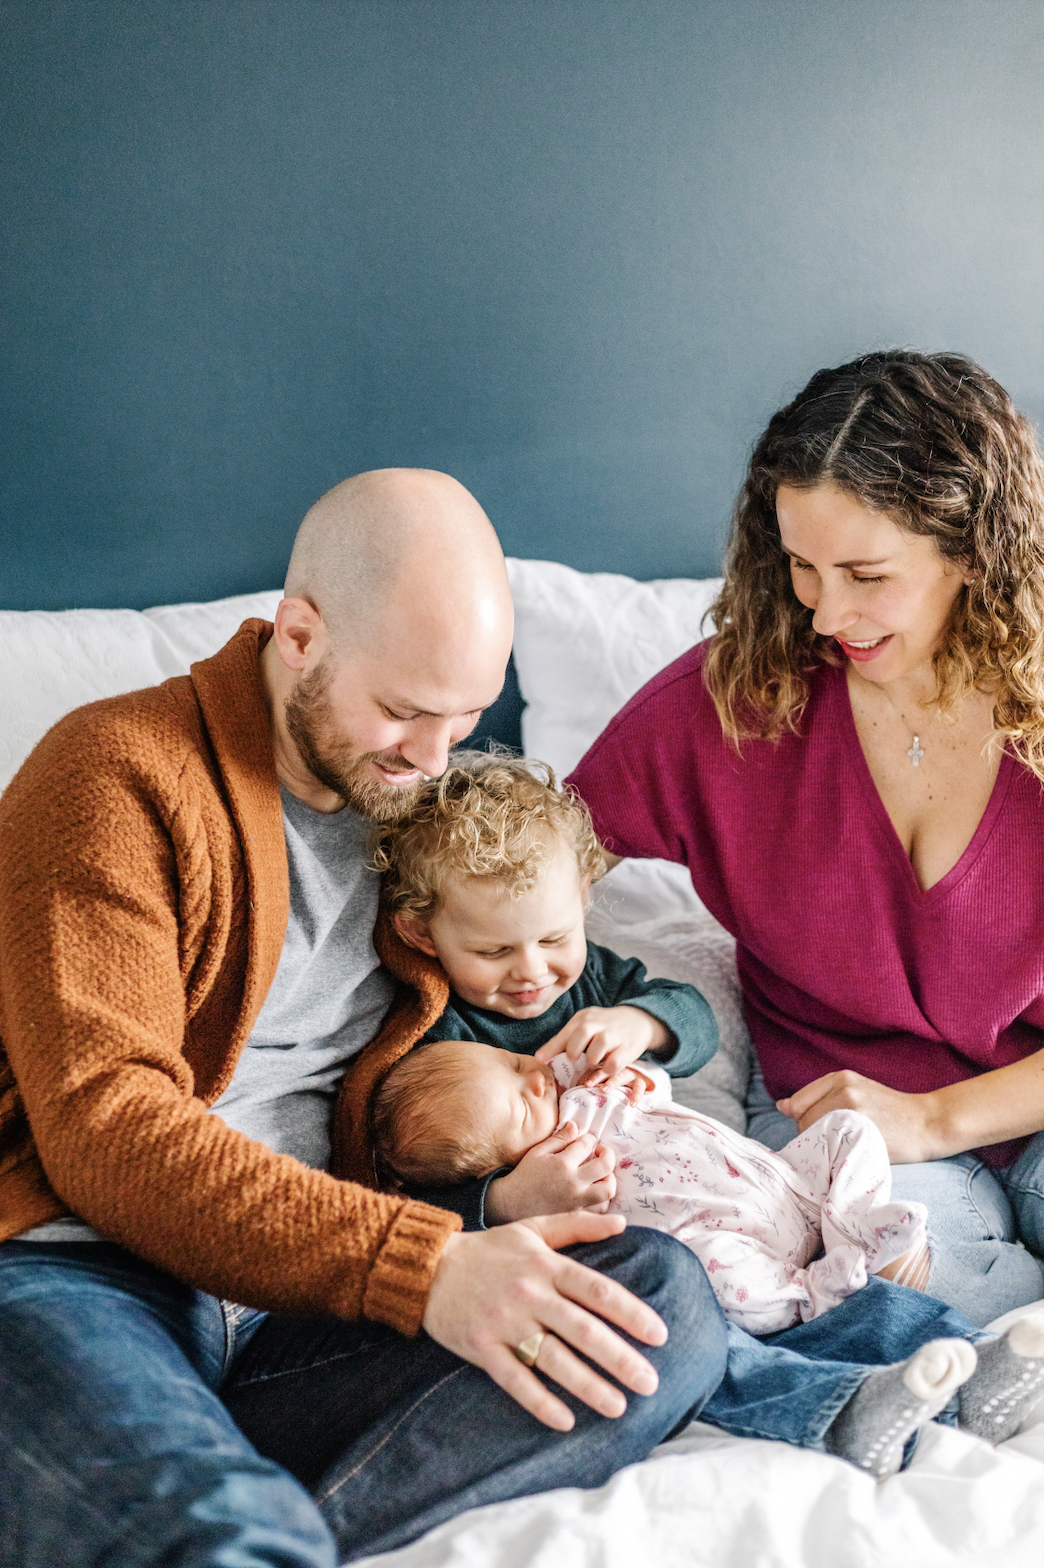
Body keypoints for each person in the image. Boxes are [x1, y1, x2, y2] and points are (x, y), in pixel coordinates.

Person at [0, 470, 730, 1568]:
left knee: (651, 1299)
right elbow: (104, 1124)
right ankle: (194, 1505)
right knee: (226, 1525)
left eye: (466, 715)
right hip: (82, 1270)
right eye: (402, 710)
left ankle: (137, 1499)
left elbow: (544, 990)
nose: (433, 758)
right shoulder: (112, 774)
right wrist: (426, 1266)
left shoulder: (423, 830)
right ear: (299, 634)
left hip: (299, 1311)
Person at [343, 749, 1043, 1481]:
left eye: (553, 940)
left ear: (583, 897)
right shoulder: (437, 1044)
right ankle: (839, 1405)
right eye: (491, 950)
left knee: (852, 1231)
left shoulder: (591, 991)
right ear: (423, 934)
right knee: (705, 1327)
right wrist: (504, 1201)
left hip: (744, 1187)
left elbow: (695, 1019)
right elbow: (408, 1186)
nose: (531, 973)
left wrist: (639, 1024)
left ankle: (963, 1361)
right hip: (657, 1251)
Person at [566, 351, 1044, 1328]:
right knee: (864, 1289)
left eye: (868, 574)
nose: (825, 612)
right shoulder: (733, 705)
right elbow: (529, 863)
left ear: (971, 549)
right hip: (849, 1138)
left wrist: (938, 1114)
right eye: (801, 566)